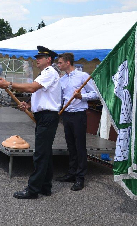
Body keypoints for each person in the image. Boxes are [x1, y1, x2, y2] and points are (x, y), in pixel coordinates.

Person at [0, 46, 61, 199]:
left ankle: (32, 190)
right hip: (43, 116)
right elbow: (41, 95)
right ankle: (45, 186)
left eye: (40, 57)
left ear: (49, 59)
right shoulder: (45, 74)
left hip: (48, 117)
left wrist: (9, 84)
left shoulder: (50, 72)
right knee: (45, 153)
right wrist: (28, 105)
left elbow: (33, 88)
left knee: (40, 154)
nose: (37, 59)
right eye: (37, 57)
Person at [56, 52, 97, 191]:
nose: (58, 65)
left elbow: (95, 94)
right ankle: (71, 173)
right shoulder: (62, 79)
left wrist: (81, 96)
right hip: (66, 115)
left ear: (68, 63)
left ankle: (80, 178)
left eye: (60, 63)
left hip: (79, 115)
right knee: (71, 145)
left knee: (80, 146)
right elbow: (61, 98)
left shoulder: (83, 76)